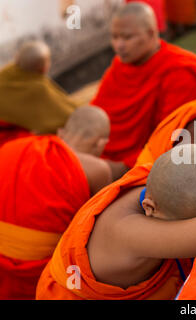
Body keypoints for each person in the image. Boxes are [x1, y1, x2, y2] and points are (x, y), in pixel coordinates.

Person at [36, 144, 196, 300]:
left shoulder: (161, 186)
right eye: (190, 223)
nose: (192, 230)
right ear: (149, 208)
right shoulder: (123, 230)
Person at [91, 2, 196, 179]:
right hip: (104, 154)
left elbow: (171, 139)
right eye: (114, 37)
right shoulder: (120, 66)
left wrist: (123, 166)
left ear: (151, 33)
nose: (119, 45)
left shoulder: (179, 72)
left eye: (127, 38)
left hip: (147, 164)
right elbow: (97, 111)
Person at [0, 106, 113, 300]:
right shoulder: (97, 170)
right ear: (101, 143)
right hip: (42, 269)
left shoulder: (12, 147)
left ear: (61, 132)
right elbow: (98, 228)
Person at [0, 41, 78, 140]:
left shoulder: (5, 74)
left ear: (17, 59)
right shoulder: (39, 90)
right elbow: (64, 118)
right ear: (44, 68)